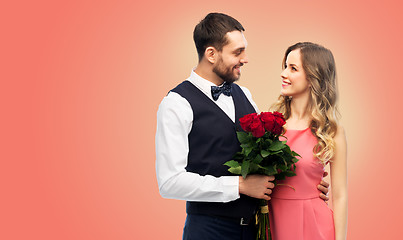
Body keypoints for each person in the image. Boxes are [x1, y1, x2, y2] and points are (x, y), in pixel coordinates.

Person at [155, 13, 330, 240]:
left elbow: (264, 160)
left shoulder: (244, 94)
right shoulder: (176, 103)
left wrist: (305, 183)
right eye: (237, 52)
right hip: (208, 231)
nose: (245, 59)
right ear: (211, 54)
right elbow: (170, 182)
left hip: (254, 228)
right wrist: (238, 186)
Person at [269, 42, 348, 240]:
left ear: (314, 78)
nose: (283, 73)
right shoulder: (270, 125)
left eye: (293, 68)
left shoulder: (331, 130)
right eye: (285, 66)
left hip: (314, 226)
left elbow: (340, 195)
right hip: (271, 221)